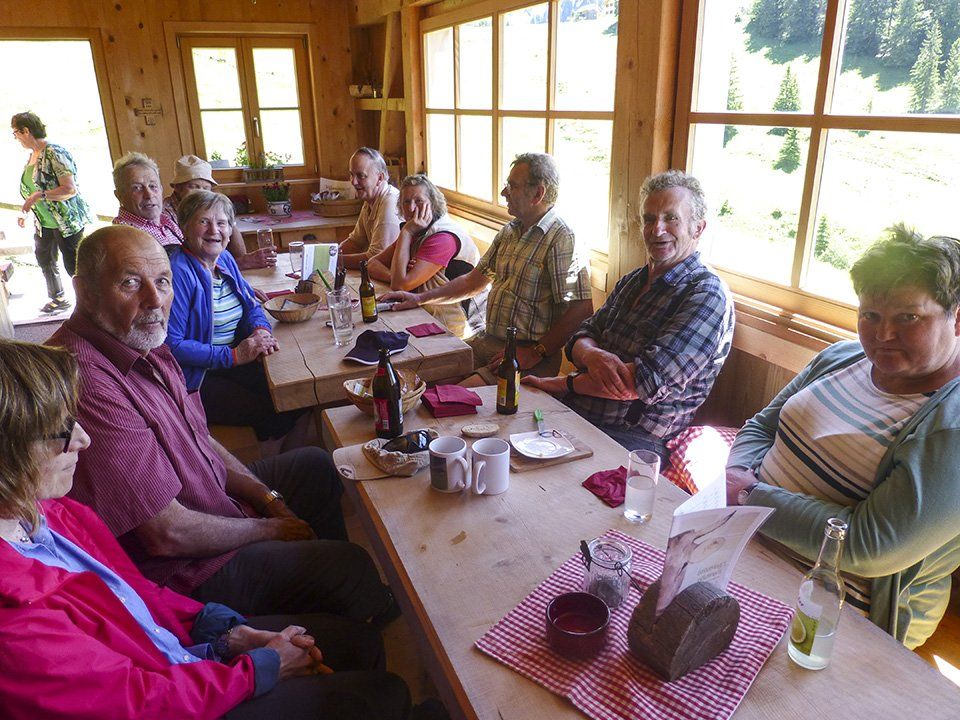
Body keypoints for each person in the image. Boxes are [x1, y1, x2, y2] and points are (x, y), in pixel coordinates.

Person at [0, 339, 416, 720]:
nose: (83, 440)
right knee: (383, 693)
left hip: (177, 660)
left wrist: (227, 634)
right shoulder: (13, 618)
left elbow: (137, 594)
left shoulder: (50, 513)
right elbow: (134, 702)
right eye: (60, 431)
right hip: (172, 697)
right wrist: (257, 670)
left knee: (356, 643)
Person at [48, 225, 397, 630]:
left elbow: (199, 439)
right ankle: (347, 614)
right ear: (84, 290)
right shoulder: (86, 381)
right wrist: (269, 529)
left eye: (163, 281)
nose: (155, 299)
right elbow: (167, 533)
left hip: (212, 500)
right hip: (188, 569)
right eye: (130, 283)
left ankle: (331, 604)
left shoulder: (141, 339)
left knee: (316, 465)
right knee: (349, 565)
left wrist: (267, 499)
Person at [725, 224, 960, 650]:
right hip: (744, 541)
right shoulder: (841, 356)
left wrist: (749, 497)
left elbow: (871, 545)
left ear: (957, 318)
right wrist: (737, 474)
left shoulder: (950, 425)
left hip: (830, 610)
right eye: (870, 314)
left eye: (908, 317)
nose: (883, 334)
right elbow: (762, 425)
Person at [522, 170, 734, 458]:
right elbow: (581, 336)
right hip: (577, 412)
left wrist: (559, 383)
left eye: (671, 218)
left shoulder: (707, 294)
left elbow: (640, 384)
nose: (657, 230)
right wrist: (592, 354)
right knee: (492, 436)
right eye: (649, 219)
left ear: (698, 228)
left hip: (633, 439)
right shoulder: (633, 280)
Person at [383, 152, 593, 382]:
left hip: (524, 357)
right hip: (487, 342)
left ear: (538, 194)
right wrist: (419, 299)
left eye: (512, 186)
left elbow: (581, 310)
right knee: (412, 379)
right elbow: (472, 282)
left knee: (444, 397)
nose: (503, 192)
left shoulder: (562, 238)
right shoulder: (510, 231)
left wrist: (535, 353)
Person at [166, 190, 306, 448]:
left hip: (231, 361)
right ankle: (272, 462)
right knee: (272, 408)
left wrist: (260, 330)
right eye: (204, 221)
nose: (214, 230)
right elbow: (171, 346)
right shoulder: (179, 272)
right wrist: (233, 356)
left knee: (297, 389)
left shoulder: (225, 259)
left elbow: (251, 305)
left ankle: (289, 455)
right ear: (184, 227)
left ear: (230, 230)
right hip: (197, 378)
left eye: (222, 223)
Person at [366, 173, 484, 338]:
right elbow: (372, 264)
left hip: (456, 330)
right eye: (406, 202)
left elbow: (399, 286)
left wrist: (406, 233)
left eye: (419, 201)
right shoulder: (417, 229)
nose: (411, 208)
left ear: (433, 204)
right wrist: (397, 275)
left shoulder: (442, 237)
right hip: (426, 316)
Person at [11, 111, 94, 314]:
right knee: (45, 259)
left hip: (65, 221)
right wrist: (27, 210)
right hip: (44, 222)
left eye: (15, 133)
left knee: (73, 264)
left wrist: (39, 196)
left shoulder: (55, 153)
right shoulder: (33, 156)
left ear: (26, 131)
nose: (16, 138)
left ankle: (90, 304)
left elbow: (70, 189)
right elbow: (32, 188)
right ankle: (58, 298)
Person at [164, 154, 276, 272]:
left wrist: (227, 219)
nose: (201, 193)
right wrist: (241, 263)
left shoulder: (210, 208)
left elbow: (240, 255)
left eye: (206, 188)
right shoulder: (164, 216)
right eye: (194, 187)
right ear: (177, 187)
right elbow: (190, 264)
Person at [338, 147, 400, 269]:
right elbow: (355, 242)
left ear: (380, 178)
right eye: (351, 175)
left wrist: (334, 261)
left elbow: (376, 260)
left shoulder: (390, 203)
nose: (353, 182)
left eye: (361, 176)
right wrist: (330, 253)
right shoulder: (370, 199)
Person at [113, 151, 184, 253]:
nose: (149, 195)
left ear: (161, 189)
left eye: (153, 186)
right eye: (137, 188)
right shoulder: (124, 236)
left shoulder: (167, 222)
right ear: (119, 195)